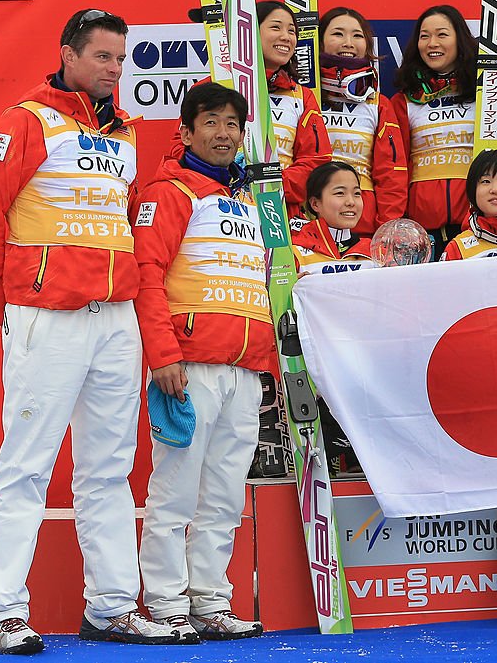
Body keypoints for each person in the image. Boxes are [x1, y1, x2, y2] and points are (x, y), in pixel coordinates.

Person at [0, 9, 179, 653]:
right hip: (45, 317)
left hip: (115, 319)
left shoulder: (128, 133)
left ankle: (111, 606)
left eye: (122, 59)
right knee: (25, 465)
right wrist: (12, 306)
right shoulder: (27, 119)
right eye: (104, 57)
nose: (115, 69)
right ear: (68, 55)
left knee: (109, 469)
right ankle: (3, 611)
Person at [132, 82, 272, 643]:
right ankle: (166, 605)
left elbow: (266, 283)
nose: (223, 134)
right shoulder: (168, 191)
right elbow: (146, 275)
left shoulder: (255, 202)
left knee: (225, 495)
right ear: (185, 132)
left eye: (232, 124)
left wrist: (268, 364)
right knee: (175, 491)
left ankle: (211, 602)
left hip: (245, 370)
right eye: (210, 122)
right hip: (188, 369)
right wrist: (164, 356)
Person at [391, 5, 497, 259]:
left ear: (460, 39)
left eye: (442, 34)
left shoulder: (489, 93)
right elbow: (393, 168)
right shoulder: (404, 101)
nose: (432, 43)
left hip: (480, 230)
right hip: (423, 234)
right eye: (424, 36)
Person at [187, 1, 332, 227]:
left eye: (291, 31)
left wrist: (270, 184)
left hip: (279, 212)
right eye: (276, 27)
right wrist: (224, 178)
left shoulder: (301, 96)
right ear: (249, 31)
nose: (286, 36)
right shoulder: (211, 89)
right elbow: (181, 149)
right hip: (218, 208)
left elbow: (316, 162)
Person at [293, 161, 376, 474]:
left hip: (361, 370)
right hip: (313, 373)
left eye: (356, 193)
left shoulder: (374, 250)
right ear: (315, 203)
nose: (351, 201)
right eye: (339, 193)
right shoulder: (295, 251)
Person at [317, 7, 407, 236]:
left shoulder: (378, 103)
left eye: (357, 36)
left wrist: (386, 229)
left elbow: (391, 174)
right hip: (309, 222)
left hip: (362, 226)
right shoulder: (305, 95)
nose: (348, 42)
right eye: (338, 34)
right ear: (319, 40)